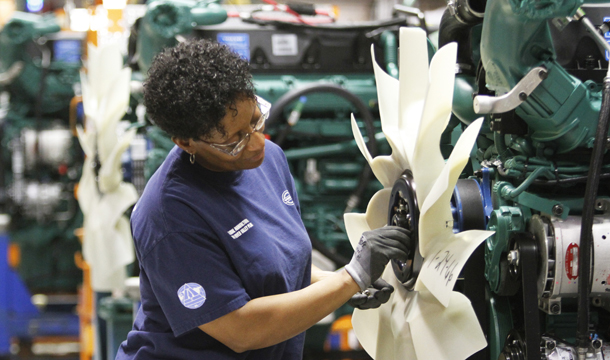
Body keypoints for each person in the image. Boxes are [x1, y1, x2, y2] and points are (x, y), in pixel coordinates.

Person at [116, 39, 412, 360]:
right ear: (186, 142)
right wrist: (348, 279)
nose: (257, 143)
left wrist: (348, 282)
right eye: (234, 140)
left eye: (257, 119)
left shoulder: (269, 159)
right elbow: (241, 330)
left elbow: (271, 270)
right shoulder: (167, 216)